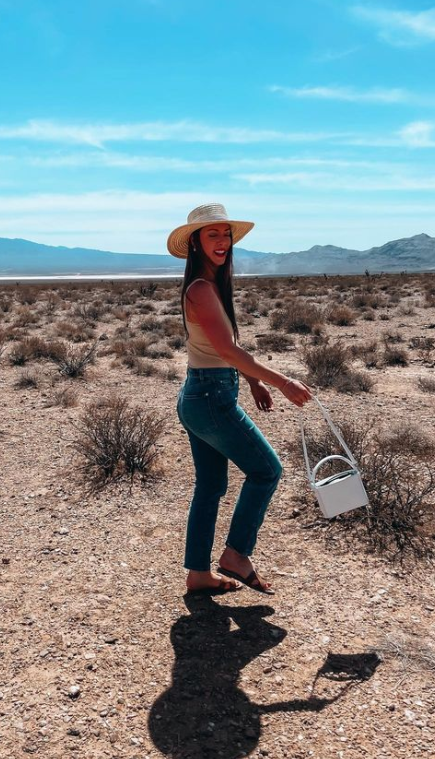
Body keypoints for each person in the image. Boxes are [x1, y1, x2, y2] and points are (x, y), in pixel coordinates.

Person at [166, 203, 313, 596]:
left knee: (211, 486)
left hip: (202, 394)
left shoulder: (210, 287)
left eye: (225, 233)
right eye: (211, 234)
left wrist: (252, 382)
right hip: (210, 397)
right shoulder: (200, 289)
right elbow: (228, 351)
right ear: (195, 242)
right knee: (267, 470)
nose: (221, 241)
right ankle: (235, 556)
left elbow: (224, 351)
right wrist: (282, 381)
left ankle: (199, 575)